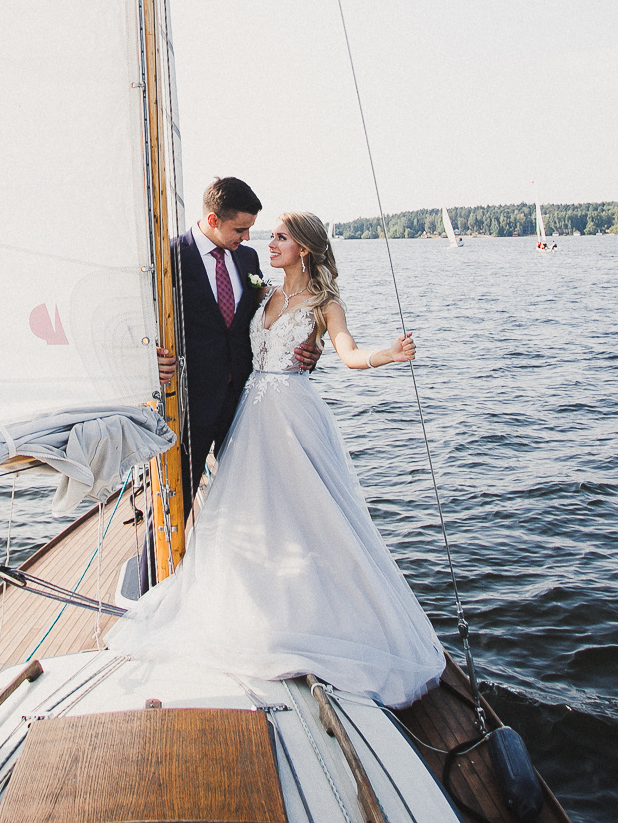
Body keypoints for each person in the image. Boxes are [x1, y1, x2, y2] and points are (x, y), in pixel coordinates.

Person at [112, 210, 444, 708]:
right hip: (250, 411)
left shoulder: (325, 303)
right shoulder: (260, 289)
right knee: (247, 513)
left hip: (293, 411)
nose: (269, 242)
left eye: (281, 237)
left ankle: (315, 614)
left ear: (303, 248)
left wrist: (389, 354)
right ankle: (257, 605)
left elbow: (348, 354)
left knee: (309, 515)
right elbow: (217, 332)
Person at [159, 178, 318, 498]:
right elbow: (141, 322)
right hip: (191, 402)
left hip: (246, 401)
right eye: (240, 229)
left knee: (249, 492)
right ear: (213, 220)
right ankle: (154, 550)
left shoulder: (247, 260)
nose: (247, 237)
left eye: (250, 229)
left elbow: (264, 304)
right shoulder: (170, 258)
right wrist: (149, 359)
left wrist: (310, 340)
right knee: (179, 493)